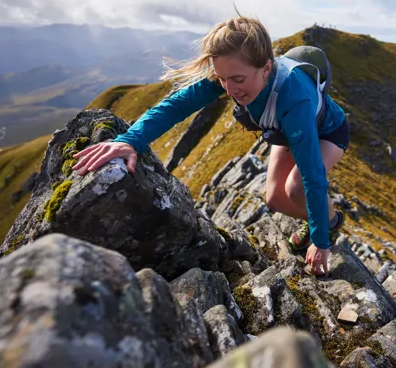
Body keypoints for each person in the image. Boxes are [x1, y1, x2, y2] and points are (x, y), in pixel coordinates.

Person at [71, 16, 349, 276]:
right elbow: (178, 104)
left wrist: (321, 241)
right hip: (285, 131)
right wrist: (130, 140)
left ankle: (330, 222)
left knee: (297, 187)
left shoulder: (295, 99)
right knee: (275, 200)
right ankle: (319, 218)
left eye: (238, 80)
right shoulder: (233, 70)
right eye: (222, 79)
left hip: (327, 132)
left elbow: (314, 177)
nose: (229, 90)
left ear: (266, 67)